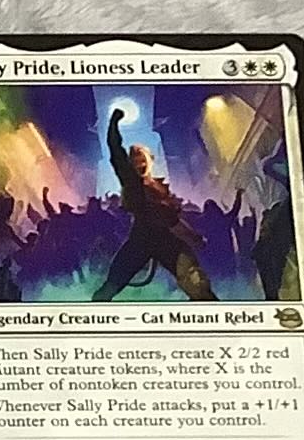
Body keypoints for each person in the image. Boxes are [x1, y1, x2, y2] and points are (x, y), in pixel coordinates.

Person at [91, 107, 213, 302]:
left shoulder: (159, 186)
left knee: (197, 284)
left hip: (166, 240)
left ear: (150, 160)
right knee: (109, 288)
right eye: (135, 160)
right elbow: (116, 150)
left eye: (143, 159)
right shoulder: (131, 180)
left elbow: (172, 219)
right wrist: (114, 123)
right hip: (141, 239)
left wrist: (193, 237)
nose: (140, 163)